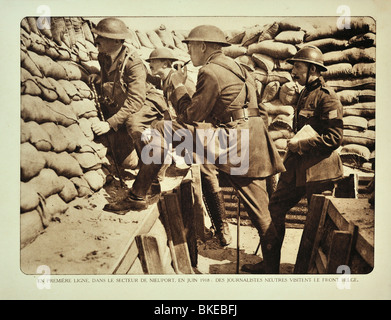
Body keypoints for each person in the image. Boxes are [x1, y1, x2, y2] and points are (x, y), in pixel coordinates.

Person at [106, 25, 285, 269]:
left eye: (190, 46)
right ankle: (271, 265)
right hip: (253, 138)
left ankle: (138, 195)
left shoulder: (210, 72)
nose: (188, 52)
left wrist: (179, 86)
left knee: (160, 128)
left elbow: (191, 116)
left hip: (234, 142)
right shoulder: (240, 68)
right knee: (263, 209)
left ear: (203, 46)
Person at [242, 45, 344, 274]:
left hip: (319, 171)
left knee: (316, 221)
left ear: (313, 69)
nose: (294, 71)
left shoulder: (328, 98)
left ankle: (308, 272)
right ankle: (270, 266)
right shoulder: (305, 93)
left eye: (298, 66)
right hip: (297, 167)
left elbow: (335, 138)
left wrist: (302, 144)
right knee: (275, 207)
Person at [88, 17, 168, 201]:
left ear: (116, 41)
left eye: (102, 37)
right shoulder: (103, 57)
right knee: (125, 161)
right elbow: (114, 78)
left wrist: (110, 123)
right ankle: (151, 161)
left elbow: (136, 99)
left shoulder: (134, 63)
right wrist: (100, 78)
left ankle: (152, 180)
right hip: (129, 104)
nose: (96, 41)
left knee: (134, 124)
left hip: (147, 102)